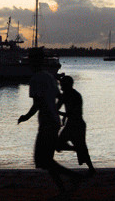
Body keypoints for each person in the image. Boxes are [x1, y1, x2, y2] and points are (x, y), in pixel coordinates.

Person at [18, 48, 80, 192]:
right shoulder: (50, 77)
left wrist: (25, 117)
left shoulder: (35, 79)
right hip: (54, 121)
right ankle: (63, 188)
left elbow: (37, 103)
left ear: (33, 62)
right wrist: (64, 113)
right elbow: (59, 97)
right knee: (46, 160)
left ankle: (73, 177)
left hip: (47, 123)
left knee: (42, 160)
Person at [56, 75, 95, 174]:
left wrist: (61, 114)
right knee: (61, 145)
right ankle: (79, 152)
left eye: (62, 85)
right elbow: (58, 107)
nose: (61, 87)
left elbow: (72, 113)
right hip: (72, 124)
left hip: (77, 124)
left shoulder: (75, 95)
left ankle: (91, 168)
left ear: (67, 85)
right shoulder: (66, 95)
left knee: (79, 146)